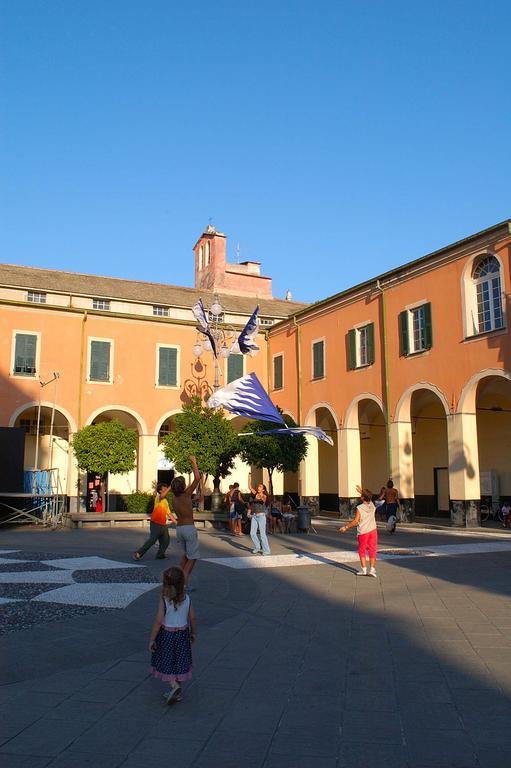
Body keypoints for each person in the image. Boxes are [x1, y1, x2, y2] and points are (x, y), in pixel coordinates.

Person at [148, 566, 196, 704]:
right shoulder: (187, 598)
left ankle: (174, 686)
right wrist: (193, 632)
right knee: (180, 661)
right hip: (183, 634)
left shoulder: (164, 600)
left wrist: (152, 639)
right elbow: (192, 618)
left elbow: (158, 621)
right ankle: (178, 692)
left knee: (166, 660)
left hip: (167, 635)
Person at [171, 455, 202, 585]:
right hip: (189, 528)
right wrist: (194, 462)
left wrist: (194, 500)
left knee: (186, 556)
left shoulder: (174, 499)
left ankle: (177, 579)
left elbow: (183, 505)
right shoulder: (187, 493)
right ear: (183, 486)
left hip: (179, 529)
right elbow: (197, 478)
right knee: (193, 558)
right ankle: (183, 583)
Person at [339, 485, 378, 577]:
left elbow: (356, 521)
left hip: (363, 532)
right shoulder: (372, 506)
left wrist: (346, 527)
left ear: (362, 498)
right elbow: (369, 498)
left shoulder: (359, 508)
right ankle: (372, 570)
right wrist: (362, 492)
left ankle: (364, 570)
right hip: (373, 530)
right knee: (372, 549)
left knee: (362, 550)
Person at [133, 483, 177, 560]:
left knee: (166, 541)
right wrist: (170, 486)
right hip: (155, 523)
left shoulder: (165, 501)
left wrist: (177, 522)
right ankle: (138, 553)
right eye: (164, 488)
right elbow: (162, 495)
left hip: (163, 524)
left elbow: (169, 513)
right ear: (160, 491)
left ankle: (160, 555)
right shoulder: (158, 498)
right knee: (152, 540)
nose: (166, 489)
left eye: (167, 488)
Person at [248, 476, 271, 555]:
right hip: (254, 516)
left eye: (260, 487)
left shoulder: (264, 496)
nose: (258, 487)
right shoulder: (255, 494)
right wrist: (249, 476)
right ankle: (258, 547)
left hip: (261, 516)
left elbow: (264, 499)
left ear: (263, 489)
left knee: (262, 534)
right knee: (252, 533)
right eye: (258, 486)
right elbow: (249, 486)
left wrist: (260, 494)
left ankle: (267, 550)